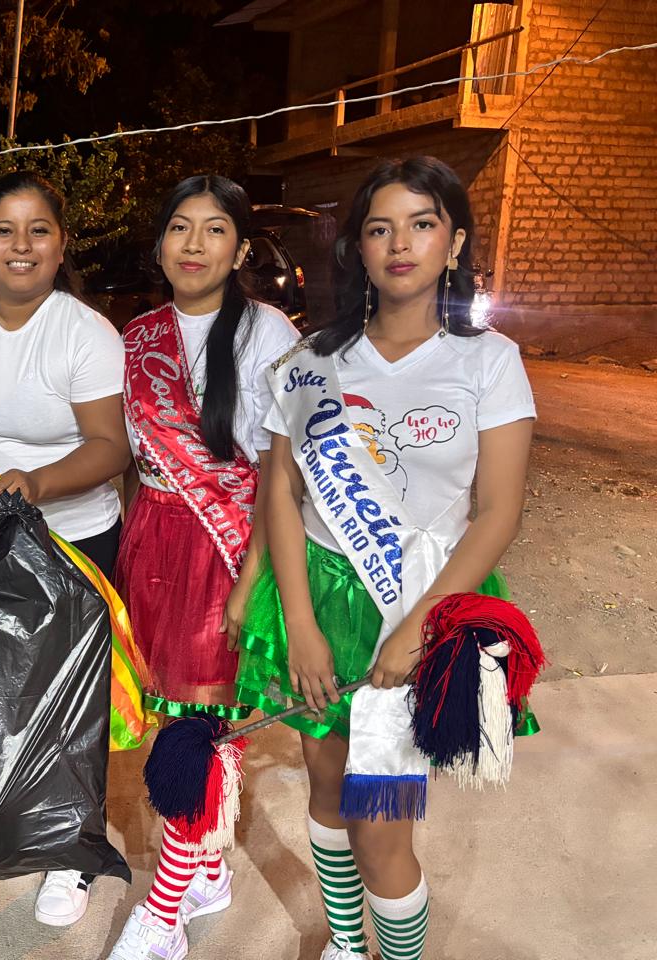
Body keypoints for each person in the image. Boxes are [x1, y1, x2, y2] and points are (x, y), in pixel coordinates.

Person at [237, 156, 536, 960]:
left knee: (382, 826)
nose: (400, 243)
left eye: (422, 224)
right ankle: (346, 942)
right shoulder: (310, 363)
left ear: (455, 242)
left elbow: (497, 512)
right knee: (329, 791)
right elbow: (282, 496)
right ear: (358, 249)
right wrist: (300, 624)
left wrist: (418, 627)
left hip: (427, 602)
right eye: (380, 228)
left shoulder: (488, 362)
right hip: (322, 593)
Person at [105, 175, 298, 960]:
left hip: (230, 544)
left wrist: (252, 581)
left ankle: (163, 915)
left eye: (214, 229)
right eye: (179, 227)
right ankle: (209, 868)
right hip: (153, 533)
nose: (193, 244)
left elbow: (282, 471)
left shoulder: (270, 334)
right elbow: (129, 459)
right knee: (172, 717)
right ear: (159, 244)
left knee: (201, 729)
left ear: (241, 248)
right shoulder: (135, 336)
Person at [0, 170, 133, 929]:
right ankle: (11, 819)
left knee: (72, 703)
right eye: (4, 230)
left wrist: (36, 483)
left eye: (39, 230)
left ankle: (74, 848)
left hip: (71, 538)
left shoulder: (85, 333)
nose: (21, 245)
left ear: (61, 245)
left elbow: (111, 446)